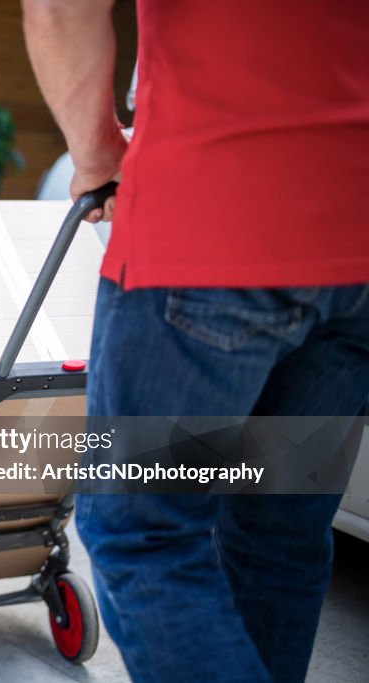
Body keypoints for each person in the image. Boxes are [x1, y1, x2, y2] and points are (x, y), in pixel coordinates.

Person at [21, 1, 369, 681]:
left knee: (143, 532)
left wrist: (96, 157)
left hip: (216, 223)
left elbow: (60, 8)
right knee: (281, 531)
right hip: (357, 246)